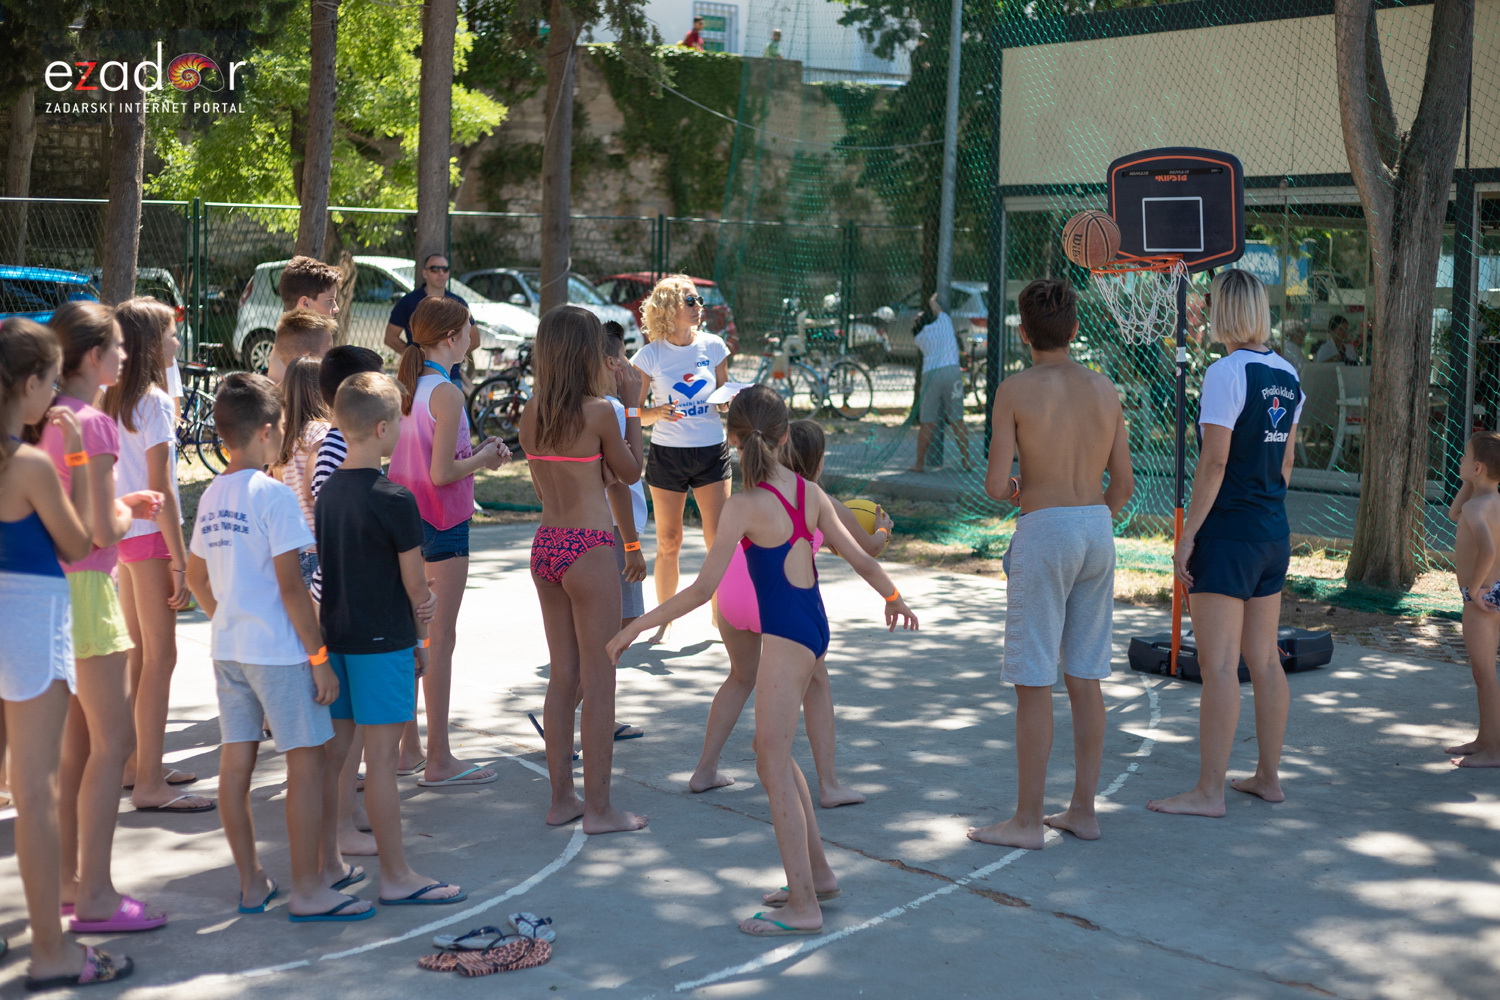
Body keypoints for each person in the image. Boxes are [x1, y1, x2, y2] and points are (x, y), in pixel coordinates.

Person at [607, 386, 917, 935]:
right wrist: (893, 598)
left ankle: (804, 907)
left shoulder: (743, 506)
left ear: (731, 439)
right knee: (771, 749)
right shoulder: (807, 490)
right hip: (810, 627)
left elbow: (703, 590)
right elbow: (861, 556)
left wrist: (637, 624)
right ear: (783, 435)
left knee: (769, 759)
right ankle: (817, 876)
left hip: (791, 636)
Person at [185, 372, 374, 923]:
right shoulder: (274, 496)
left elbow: (196, 580)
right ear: (269, 431)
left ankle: (251, 882)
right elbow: (293, 587)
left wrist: (228, 618)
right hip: (281, 653)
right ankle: (310, 888)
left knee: (236, 764)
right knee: (306, 766)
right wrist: (319, 659)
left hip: (230, 650)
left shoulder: (211, 494)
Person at [968, 278, 1134, 850]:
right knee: (1085, 677)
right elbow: (1126, 483)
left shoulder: (1014, 390)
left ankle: (1026, 821)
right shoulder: (1104, 388)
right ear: (1075, 330)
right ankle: (1083, 810)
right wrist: (1090, 518)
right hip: (1096, 529)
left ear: (1022, 333)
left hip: (1044, 532)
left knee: (1034, 679)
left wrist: (1024, 491)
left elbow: (995, 485)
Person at [1, 318, 135, 989]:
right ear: (26, 384)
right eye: (48, 382)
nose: (53, 395)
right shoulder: (24, 464)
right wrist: (79, 454)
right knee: (35, 786)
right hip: (27, 622)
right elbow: (81, 541)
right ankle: (53, 949)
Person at [1152, 268, 1302, 818]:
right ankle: (1267, 777)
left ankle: (1209, 792)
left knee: (1218, 666)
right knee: (1264, 660)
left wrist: (1187, 536)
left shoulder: (1225, 372)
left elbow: (1213, 463)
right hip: (1272, 532)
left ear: (1225, 311)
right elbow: (1284, 464)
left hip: (1229, 535)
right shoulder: (1288, 374)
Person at [40, 301, 169, 935]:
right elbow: (97, 527)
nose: (125, 356)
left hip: (50, 591)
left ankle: (71, 882)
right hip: (90, 590)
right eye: (116, 347)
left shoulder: (46, 417)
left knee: (76, 746)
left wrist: (117, 506)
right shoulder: (92, 423)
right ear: (94, 357)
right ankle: (95, 894)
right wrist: (129, 511)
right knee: (112, 743)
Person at [317, 372, 464, 902]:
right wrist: (423, 638)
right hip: (384, 642)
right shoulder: (395, 498)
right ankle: (398, 877)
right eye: (399, 418)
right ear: (382, 428)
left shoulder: (328, 491)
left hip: (338, 641)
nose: (404, 425)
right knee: (379, 761)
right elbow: (415, 585)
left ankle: (330, 858)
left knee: (339, 756)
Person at [691, 418, 889, 807]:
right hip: (776, 598)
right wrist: (882, 528)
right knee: (817, 681)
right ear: (817, 462)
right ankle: (829, 785)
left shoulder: (757, 493)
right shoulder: (816, 497)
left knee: (740, 677)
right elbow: (867, 551)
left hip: (732, 591)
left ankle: (704, 771)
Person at [519, 305, 648, 834]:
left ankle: (561, 801)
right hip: (590, 548)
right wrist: (633, 408)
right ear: (586, 354)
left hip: (546, 545)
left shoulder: (531, 413)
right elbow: (632, 471)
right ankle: (599, 810)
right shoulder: (600, 413)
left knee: (562, 677)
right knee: (600, 682)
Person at [388, 296, 510, 787]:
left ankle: (408, 746)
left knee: (415, 637)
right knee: (439, 640)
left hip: (405, 521)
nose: (472, 333)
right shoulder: (448, 394)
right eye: (467, 327)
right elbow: (443, 473)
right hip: (442, 523)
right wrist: (485, 457)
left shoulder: (406, 387)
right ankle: (439, 759)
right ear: (449, 338)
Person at [103, 297, 210, 814]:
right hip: (148, 537)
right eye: (170, 333)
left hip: (122, 534)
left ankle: (137, 763)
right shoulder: (154, 402)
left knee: (138, 656)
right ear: (150, 344)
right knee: (159, 657)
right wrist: (180, 557)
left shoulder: (110, 395)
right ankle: (147, 780)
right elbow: (160, 488)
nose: (176, 340)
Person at [309, 345, 387, 856]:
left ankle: (350, 813)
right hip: (340, 595)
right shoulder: (335, 448)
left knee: (353, 724)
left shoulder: (341, 443)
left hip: (345, 591)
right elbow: (329, 509)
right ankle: (337, 824)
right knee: (347, 726)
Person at [632, 274, 733, 643]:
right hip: (668, 454)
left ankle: (722, 616)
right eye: (690, 301)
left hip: (711, 450)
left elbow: (724, 394)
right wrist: (658, 413)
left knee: (717, 539)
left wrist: (725, 401)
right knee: (668, 540)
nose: (698, 307)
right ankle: (665, 620)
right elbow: (633, 413)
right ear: (668, 308)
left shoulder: (714, 345)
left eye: (699, 301)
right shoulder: (649, 355)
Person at [1443, 431, 1500, 768]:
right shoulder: (1482, 502)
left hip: (1481, 596)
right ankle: (1484, 739)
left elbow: (1489, 550)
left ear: (1477, 467)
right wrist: (1470, 482)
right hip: (1493, 591)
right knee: (1484, 674)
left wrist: (1476, 591)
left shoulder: (1478, 508)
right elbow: (1454, 513)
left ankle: (1493, 751)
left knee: (1484, 674)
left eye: (1464, 458)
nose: (1460, 462)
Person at [270, 356, 330, 592]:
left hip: (293, 543)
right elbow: (312, 487)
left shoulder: (286, 436)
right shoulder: (319, 430)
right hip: (317, 545)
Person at [909, 293, 972, 473]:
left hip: (930, 375)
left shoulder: (919, 338)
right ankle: (966, 461)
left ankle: (919, 464)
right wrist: (932, 301)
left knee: (927, 422)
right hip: (951, 372)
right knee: (957, 420)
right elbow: (938, 309)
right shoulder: (944, 321)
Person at [384, 252, 477, 364]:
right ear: (424, 273)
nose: (441, 273)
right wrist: (415, 358)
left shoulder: (458, 303)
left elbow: (475, 340)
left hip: (451, 373)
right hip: (418, 371)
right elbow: (390, 338)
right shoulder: (408, 302)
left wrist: (452, 358)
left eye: (445, 269)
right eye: (435, 269)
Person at [270, 256, 342, 382]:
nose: (336, 308)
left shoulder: (284, 346)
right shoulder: (294, 351)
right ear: (305, 303)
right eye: (329, 301)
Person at [269, 308, 336, 385]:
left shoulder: (273, 394)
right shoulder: (325, 394)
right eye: (329, 352)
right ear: (308, 358)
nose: (332, 357)